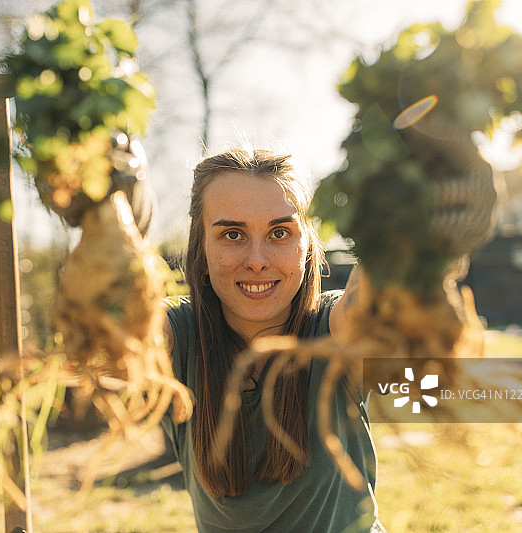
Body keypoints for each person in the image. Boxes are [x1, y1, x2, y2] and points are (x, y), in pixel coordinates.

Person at [159, 148, 385, 532]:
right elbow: (114, 333)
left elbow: (388, 273)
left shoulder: (336, 329)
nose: (257, 259)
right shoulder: (178, 336)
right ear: (200, 246)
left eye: (280, 233)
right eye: (233, 234)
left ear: (308, 245)